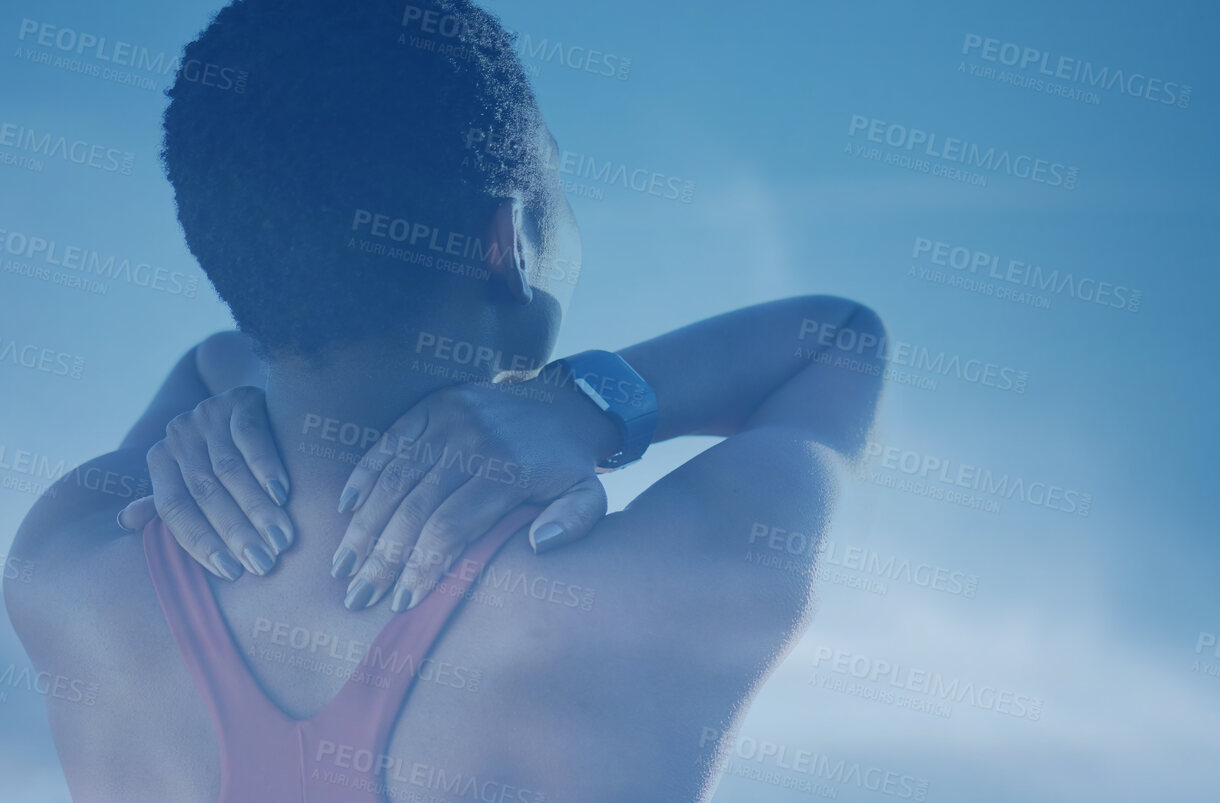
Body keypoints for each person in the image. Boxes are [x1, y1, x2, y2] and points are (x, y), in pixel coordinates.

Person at [2, 1, 884, 800]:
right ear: (507, 243)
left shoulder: (65, 562)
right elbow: (836, 339)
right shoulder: (660, 585)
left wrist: (237, 393)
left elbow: (218, 358)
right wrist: (585, 400)